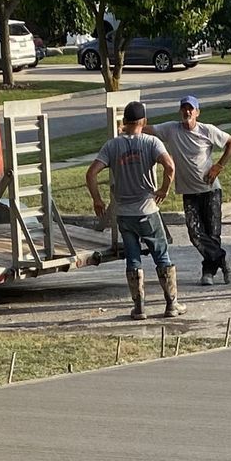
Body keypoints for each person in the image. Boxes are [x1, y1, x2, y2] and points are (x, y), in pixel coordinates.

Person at [86, 99, 179, 319]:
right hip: (147, 209)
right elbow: (170, 166)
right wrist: (164, 189)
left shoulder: (112, 146)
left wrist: (97, 199)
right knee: (161, 256)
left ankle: (139, 308)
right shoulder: (151, 142)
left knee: (133, 259)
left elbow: (91, 173)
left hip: (124, 213)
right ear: (144, 121)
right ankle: (172, 304)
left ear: (125, 121)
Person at [157, 94, 231, 287]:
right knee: (195, 234)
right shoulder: (171, 130)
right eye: (184, 108)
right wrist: (125, 127)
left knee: (212, 234)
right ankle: (224, 260)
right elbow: (146, 129)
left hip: (210, 190)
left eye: (191, 109)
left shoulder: (207, 130)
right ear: (180, 111)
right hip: (189, 192)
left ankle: (208, 271)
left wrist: (219, 166)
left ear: (197, 112)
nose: (187, 112)